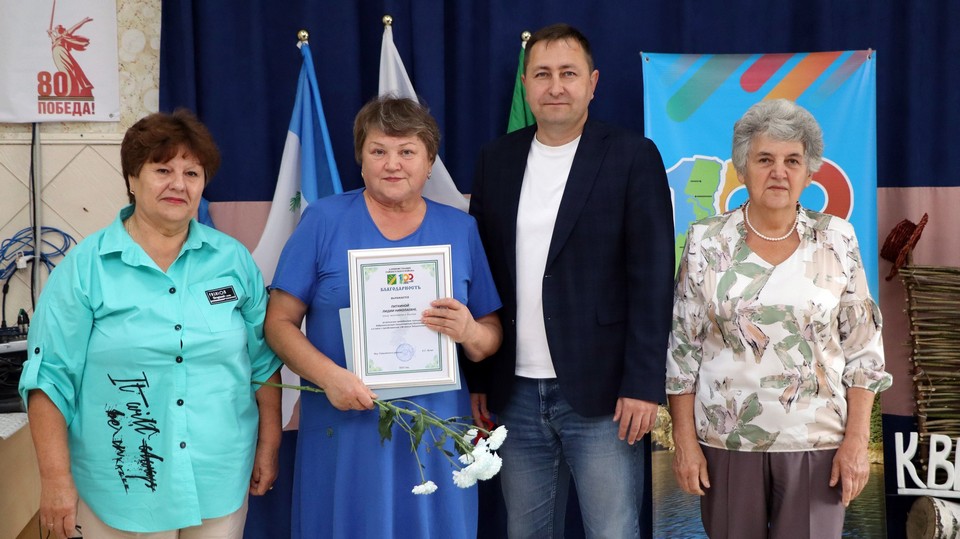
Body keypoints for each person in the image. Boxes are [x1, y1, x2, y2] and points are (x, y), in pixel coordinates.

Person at [19, 110, 282, 539]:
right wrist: (55, 479)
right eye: (162, 170)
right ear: (132, 178)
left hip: (218, 475)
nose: (179, 184)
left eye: (192, 173)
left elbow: (263, 362)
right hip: (122, 485)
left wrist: (269, 444)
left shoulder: (233, 260)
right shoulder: (86, 267)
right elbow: (48, 378)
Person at [468, 23, 675, 538]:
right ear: (525, 84)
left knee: (612, 531)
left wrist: (643, 385)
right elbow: (482, 274)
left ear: (593, 82)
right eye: (542, 74)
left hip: (605, 395)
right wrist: (479, 379)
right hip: (513, 390)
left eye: (568, 73)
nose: (555, 86)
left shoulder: (632, 156)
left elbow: (653, 279)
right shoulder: (496, 160)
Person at [264, 96, 503, 538]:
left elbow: (490, 337)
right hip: (344, 422)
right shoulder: (323, 220)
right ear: (360, 159)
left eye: (407, 151)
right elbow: (277, 323)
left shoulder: (461, 229)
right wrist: (329, 377)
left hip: (435, 429)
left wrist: (470, 331)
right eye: (378, 151)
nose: (392, 164)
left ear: (429, 163)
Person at [666, 99, 893, 538]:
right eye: (764, 159)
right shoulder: (705, 242)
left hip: (819, 444)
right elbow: (682, 353)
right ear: (742, 168)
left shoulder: (837, 239)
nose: (779, 172)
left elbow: (864, 352)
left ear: (809, 173)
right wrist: (685, 443)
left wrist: (857, 442)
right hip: (726, 444)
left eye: (792, 161)